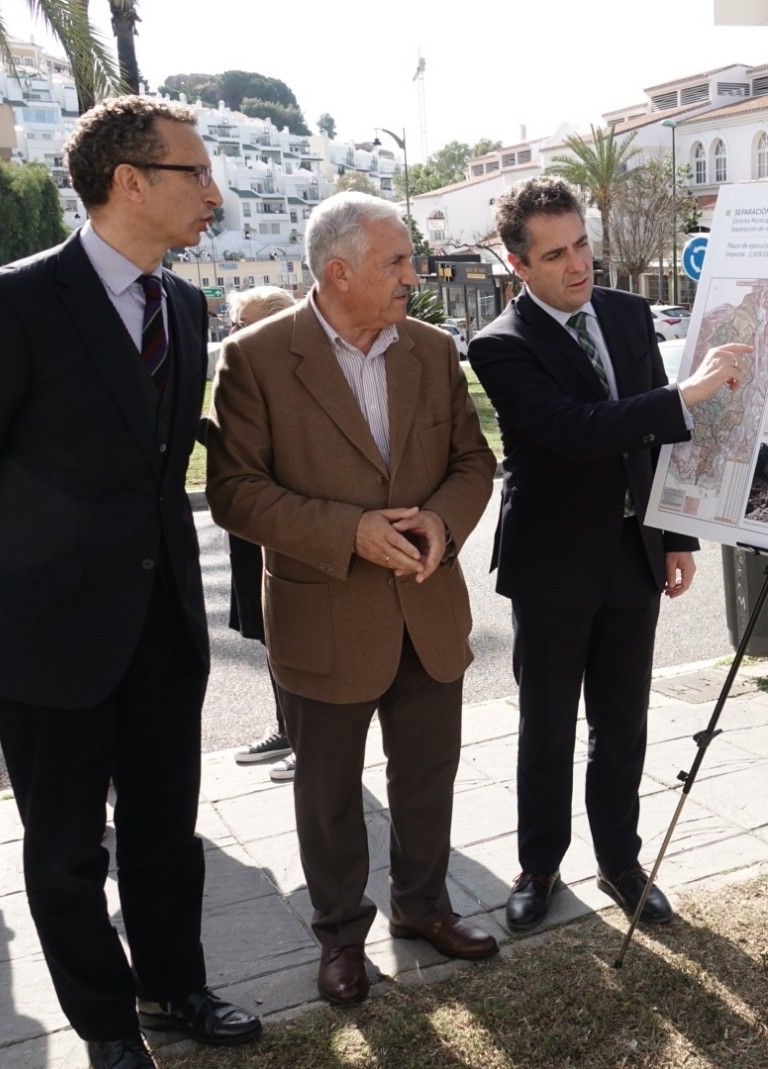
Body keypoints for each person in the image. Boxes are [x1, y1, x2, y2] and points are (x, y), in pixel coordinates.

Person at [0, 96, 261, 1069]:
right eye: (197, 172)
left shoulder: (182, 306)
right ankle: (106, 1025)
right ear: (130, 180)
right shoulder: (8, 303)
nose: (214, 194)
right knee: (66, 851)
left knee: (163, 830)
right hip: (44, 630)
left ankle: (174, 986)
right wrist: (16, 549)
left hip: (163, 623)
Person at [207, 191, 498, 1006]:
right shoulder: (257, 357)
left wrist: (442, 522)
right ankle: (340, 937)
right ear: (338, 272)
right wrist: (348, 530)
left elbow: (475, 462)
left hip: (427, 610)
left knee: (427, 776)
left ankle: (423, 906)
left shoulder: (434, 351)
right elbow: (234, 492)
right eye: (397, 262)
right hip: (323, 616)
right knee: (328, 793)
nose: (415, 275)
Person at [467, 176, 747, 933]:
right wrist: (686, 394)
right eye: (555, 253)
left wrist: (678, 536)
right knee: (548, 727)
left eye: (582, 243)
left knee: (623, 725)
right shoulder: (499, 345)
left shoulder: (625, 315)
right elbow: (578, 429)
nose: (578, 263)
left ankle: (622, 862)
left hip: (634, 556)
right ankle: (538, 865)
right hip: (552, 566)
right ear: (517, 264)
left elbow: (652, 445)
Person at [219, 286, 299, 783]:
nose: (233, 334)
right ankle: (287, 729)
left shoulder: (292, 374)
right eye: (232, 325)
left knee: (295, 639)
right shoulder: (239, 374)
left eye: (242, 325)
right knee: (270, 636)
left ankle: (310, 741)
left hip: (286, 529)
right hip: (249, 530)